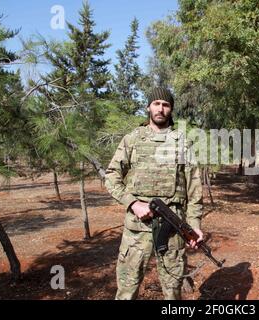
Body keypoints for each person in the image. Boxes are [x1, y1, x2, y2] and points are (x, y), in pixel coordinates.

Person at [105, 87, 203, 300]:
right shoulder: (133, 139)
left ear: (171, 109)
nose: (161, 108)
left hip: (172, 228)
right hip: (137, 228)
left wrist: (194, 225)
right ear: (148, 106)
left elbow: (194, 189)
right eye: (156, 103)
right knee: (126, 290)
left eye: (166, 104)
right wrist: (133, 203)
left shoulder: (182, 143)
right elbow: (111, 176)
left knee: (172, 291)